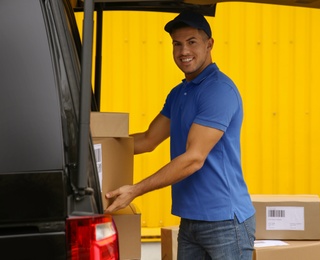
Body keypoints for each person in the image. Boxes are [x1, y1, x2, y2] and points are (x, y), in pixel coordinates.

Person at [105, 10, 256, 259]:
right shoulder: (179, 93)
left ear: (210, 44)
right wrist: (92, 146)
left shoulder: (218, 90)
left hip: (225, 223)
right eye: (177, 43)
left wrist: (135, 190)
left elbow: (194, 158)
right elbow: (147, 140)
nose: (183, 51)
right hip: (190, 220)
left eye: (192, 42)